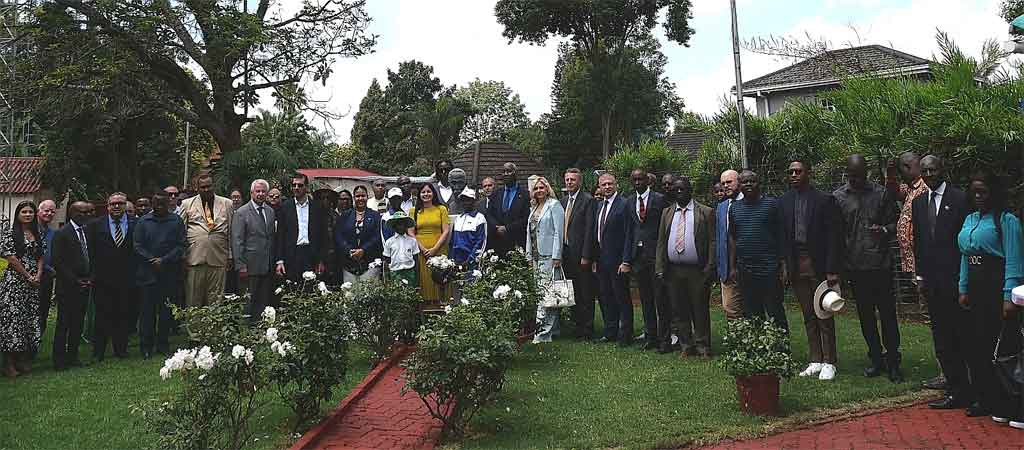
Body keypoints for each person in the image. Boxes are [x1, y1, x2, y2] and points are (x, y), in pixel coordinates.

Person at [956, 170, 1022, 420]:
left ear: (993, 193)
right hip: (974, 286)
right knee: (975, 345)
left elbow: (1014, 260)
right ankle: (984, 396)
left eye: (983, 192)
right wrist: (963, 287)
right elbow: (965, 254)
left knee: (997, 345)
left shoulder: (1006, 221)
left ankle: (1006, 398)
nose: (978, 196)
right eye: (974, 192)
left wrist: (1008, 296)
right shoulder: (970, 219)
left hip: (995, 285)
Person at [834, 155, 902, 382]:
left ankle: (893, 361)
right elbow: (836, 234)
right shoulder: (839, 198)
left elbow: (895, 222)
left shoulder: (881, 194)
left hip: (881, 265)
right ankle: (876, 359)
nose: (855, 179)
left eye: (860, 175)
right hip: (855, 267)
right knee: (866, 317)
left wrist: (884, 230)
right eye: (852, 176)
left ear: (867, 173)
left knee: (888, 315)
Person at [912, 155, 971, 410]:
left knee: (962, 336)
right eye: (925, 171)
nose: (929, 174)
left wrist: (964, 281)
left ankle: (971, 389)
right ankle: (954, 389)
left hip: (956, 281)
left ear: (942, 169)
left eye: (933, 169)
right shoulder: (918, 203)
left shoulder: (960, 199)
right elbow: (919, 243)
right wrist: (921, 277)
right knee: (942, 340)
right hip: (932, 284)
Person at [779, 161, 842, 380]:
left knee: (823, 313)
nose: (794, 175)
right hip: (797, 264)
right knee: (807, 314)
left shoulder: (824, 200)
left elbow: (834, 237)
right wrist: (785, 265)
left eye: (798, 171)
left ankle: (829, 361)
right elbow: (783, 237)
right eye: (790, 172)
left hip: (818, 265)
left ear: (808, 173)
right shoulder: (784, 201)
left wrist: (832, 269)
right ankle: (815, 359)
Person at [655, 176, 716, 357]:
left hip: (697, 270)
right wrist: (660, 267)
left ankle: (703, 346)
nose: (679, 192)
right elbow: (661, 242)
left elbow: (713, 241)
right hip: (673, 270)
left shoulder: (705, 212)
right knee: (679, 309)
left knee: (699, 309)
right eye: (676, 189)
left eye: (682, 189)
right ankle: (686, 345)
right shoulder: (667, 212)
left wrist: (710, 266)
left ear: (690, 191)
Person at [729, 170, 787, 329]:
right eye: (744, 182)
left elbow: (781, 235)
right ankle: (758, 343)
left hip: (770, 269)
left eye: (752, 181)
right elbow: (733, 238)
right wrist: (732, 266)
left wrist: (783, 264)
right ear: (739, 186)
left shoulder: (772, 204)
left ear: (759, 183)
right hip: (745, 270)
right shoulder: (734, 208)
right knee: (752, 313)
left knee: (775, 311)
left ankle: (781, 343)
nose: (748, 184)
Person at [582, 173, 634, 345]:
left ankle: (625, 334)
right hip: (601, 260)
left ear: (616, 185)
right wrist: (594, 259)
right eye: (603, 184)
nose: (607, 187)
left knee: (622, 298)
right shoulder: (599, 206)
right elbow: (596, 234)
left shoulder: (624, 205)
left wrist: (626, 261)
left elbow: (629, 235)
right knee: (606, 297)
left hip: (618, 261)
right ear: (599, 186)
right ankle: (610, 332)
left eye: (610, 184)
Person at [85, 192, 137, 361]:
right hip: (102, 279)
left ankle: (121, 349)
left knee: (123, 314)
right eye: (113, 203)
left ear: (125, 205)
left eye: (120, 203)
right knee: (102, 315)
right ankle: (98, 351)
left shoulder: (136, 224)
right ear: (107, 206)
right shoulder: (95, 225)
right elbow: (90, 251)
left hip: (127, 279)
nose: (116, 206)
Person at [134, 191, 185, 358]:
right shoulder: (143, 222)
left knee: (166, 311)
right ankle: (146, 346)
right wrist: (151, 259)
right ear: (152, 204)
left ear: (168, 203)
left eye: (163, 204)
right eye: (157, 204)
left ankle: (163, 344)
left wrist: (164, 260)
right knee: (147, 312)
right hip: (147, 273)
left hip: (168, 272)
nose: (160, 207)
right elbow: (137, 245)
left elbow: (181, 245)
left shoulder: (176, 221)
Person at [626, 168, 669, 350]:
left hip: (656, 255)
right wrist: (628, 258)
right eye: (634, 180)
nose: (638, 183)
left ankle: (664, 339)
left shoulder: (659, 199)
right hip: (639, 257)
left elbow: (666, 225)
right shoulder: (629, 201)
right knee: (646, 299)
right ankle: (650, 337)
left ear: (647, 180)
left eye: (640, 179)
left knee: (661, 299)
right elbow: (630, 229)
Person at [0, 201, 43, 378]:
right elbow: (11, 258)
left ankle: (21, 359)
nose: (27, 215)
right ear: (18, 214)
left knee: (28, 320)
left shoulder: (36, 233)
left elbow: (40, 256)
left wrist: (38, 275)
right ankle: (8, 363)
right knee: (13, 322)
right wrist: (27, 276)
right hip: (14, 283)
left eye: (30, 212)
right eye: (24, 212)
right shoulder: (9, 234)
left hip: (32, 284)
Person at [179, 174, 233, 307]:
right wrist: (182, 256)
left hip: (219, 258)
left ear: (213, 186)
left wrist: (230, 255)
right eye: (203, 187)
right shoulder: (187, 204)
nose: (206, 189)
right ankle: (194, 322)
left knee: (216, 301)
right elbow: (181, 232)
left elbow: (231, 231)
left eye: (209, 186)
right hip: (194, 258)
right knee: (193, 301)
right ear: (197, 188)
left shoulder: (227, 203)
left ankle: (214, 322)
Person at [52, 201, 94, 370]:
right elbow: (58, 261)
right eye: (81, 212)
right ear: (72, 213)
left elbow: (91, 256)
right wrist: (75, 280)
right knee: (64, 324)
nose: (85, 215)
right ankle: (59, 360)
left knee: (77, 323)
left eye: (87, 212)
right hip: (67, 286)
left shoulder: (88, 231)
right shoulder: (62, 233)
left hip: (85, 285)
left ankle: (73, 356)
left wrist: (90, 278)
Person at [526, 177, 565, 343]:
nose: (539, 191)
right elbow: (529, 233)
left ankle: (542, 334)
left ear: (547, 189)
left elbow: (558, 232)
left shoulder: (554, 205)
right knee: (543, 294)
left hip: (549, 256)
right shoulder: (534, 207)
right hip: (536, 256)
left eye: (541, 188)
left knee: (547, 295)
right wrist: (528, 255)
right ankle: (553, 329)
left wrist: (557, 255)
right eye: (536, 188)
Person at [232, 179, 276, 319]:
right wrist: (241, 266)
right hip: (249, 266)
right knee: (248, 303)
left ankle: (261, 328)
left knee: (263, 303)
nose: (260, 194)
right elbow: (237, 241)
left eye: (263, 191)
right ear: (251, 193)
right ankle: (246, 330)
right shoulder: (242, 212)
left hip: (266, 265)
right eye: (258, 191)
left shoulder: (270, 211)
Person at [562, 168, 596, 340]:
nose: (569, 182)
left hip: (581, 255)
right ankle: (577, 325)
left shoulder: (588, 200)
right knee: (572, 292)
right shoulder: (562, 201)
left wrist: (586, 255)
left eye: (572, 180)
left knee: (585, 293)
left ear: (580, 182)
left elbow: (590, 230)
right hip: (566, 254)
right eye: (567, 179)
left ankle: (587, 328)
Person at [275, 173, 328, 283]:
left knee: (312, 288)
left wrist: (321, 260)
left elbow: (323, 236)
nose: (296, 188)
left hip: (311, 254)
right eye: (294, 185)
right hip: (292, 255)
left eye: (300, 185)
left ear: (306, 187)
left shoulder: (317, 207)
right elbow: (280, 235)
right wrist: (280, 260)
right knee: (292, 288)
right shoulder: (285, 207)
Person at [410, 183, 451, 303]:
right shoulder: (414, 211)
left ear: (433, 193)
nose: (426, 194)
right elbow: (411, 233)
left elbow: (446, 230)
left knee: (440, 277)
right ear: (419, 195)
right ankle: (426, 307)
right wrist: (423, 249)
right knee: (425, 279)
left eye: (428, 191)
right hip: (421, 251)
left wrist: (434, 249)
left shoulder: (441, 209)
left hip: (439, 250)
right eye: (423, 192)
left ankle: (442, 306)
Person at [336, 185, 383, 284]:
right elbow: (339, 236)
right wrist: (349, 250)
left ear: (367, 197)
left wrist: (363, 250)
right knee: (350, 292)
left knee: (369, 292)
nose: (360, 198)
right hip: (349, 264)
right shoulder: (345, 215)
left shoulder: (375, 215)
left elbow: (377, 236)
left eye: (363, 196)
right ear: (354, 198)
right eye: (357, 196)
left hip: (370, 264)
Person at [717, 170, 744, 320]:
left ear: (739, 182)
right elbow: (720, 238)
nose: (726, 186)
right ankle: (735, 334)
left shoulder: (749, 202)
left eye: (729, 182)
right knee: (729, 307)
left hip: (748, 265)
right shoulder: (721, 207)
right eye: (723, 183)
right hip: (726, 268)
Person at [486, 162, 530, 254]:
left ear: (515, 173)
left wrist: (507, 228)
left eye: (509, 171)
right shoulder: (496, 194)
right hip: (497, 242)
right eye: (504, 172)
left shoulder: (525, 194)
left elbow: (526, 217)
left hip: (517, 242)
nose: (506, 174)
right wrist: (496, 227)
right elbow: (489, 214)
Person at [35, 200, 56, 355]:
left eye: (52, 211)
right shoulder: (29, 230)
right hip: (29, 278)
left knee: (42, 312)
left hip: (47, 280)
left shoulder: (53, 234)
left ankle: (35, 345)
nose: (49, 213)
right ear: (39, 211)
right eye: (46, 210)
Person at [450, 187, 487, 271]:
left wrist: (471, 259)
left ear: (474, 201)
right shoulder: (458, 218)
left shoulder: (480, 218)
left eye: (468, 200)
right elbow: (452, 241)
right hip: (456, 261)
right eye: (463, 200)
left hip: (471, 262)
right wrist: (451, 258)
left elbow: (481, 242)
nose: (465, 203)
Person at [382, 212, 419, 286]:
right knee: (397, 292)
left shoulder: (412, 241)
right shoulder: (389, 242)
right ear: (394, 226)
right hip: (395, 272)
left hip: (410, 272)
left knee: (411, 291)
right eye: (398, 224)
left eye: (403, 224)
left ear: (406, 226)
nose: (401, 226)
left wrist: (417, 276)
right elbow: (386, 260)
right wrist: (387, 278)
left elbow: (416, 259)